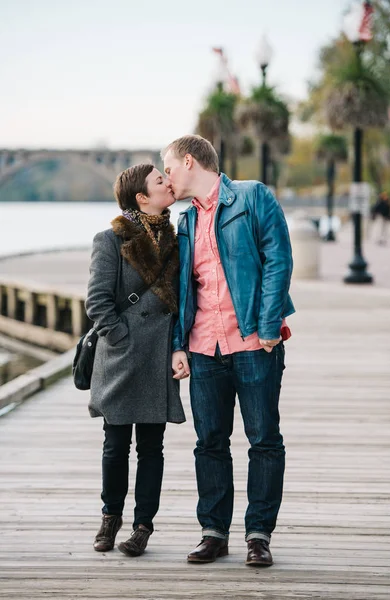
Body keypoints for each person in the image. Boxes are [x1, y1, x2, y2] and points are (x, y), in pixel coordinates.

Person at [162, 134, 294, 567]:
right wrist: (179, 344)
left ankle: (259, 534)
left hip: (254, 342)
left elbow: (278, 258)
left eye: (168, 168)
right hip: (203, 348)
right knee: (210, 443)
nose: (166, 178)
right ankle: (213, 532)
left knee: (264, 440)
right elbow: (183, 289)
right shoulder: (185, 222)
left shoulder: (253, 197)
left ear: (188, 161)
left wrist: (270, 323)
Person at [85, 163, 185, 557]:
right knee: (115, 445)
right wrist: (121, 337)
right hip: (123, 357)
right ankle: (110, 518)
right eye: (161, 181)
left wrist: (177, 346)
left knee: (152, 447)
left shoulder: (178, 239)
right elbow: (97, 302)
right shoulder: (109, 239)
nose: (169, 183)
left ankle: (143, 526)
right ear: (142, 197)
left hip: (158, 355)